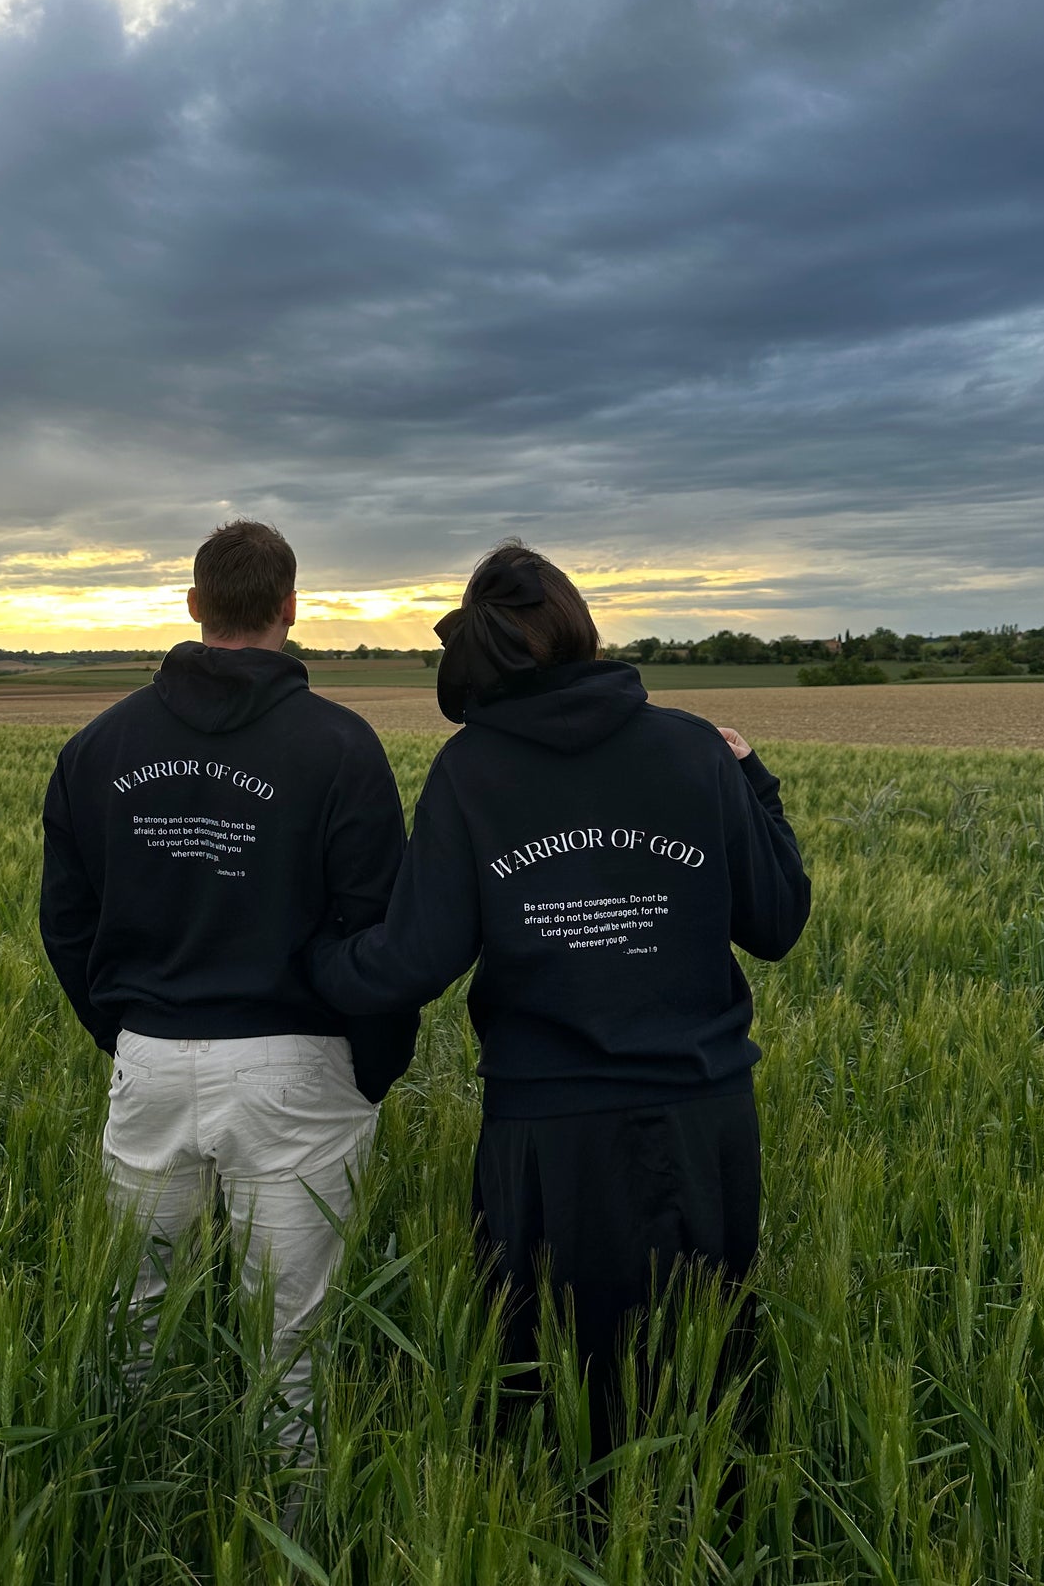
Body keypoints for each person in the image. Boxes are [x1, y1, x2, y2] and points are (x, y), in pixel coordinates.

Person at [306, 541, 810, 1456]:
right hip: (703, 1118)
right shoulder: (692, 748)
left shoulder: (471, 769)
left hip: (547, 1132)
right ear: (581, 627)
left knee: (547, 1394)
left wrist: (314, 962)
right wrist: (755, 782)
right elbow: (775, 923)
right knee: (702, 1378)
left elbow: (414, 959)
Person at [39, 519, 418, 1465]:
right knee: (292, 1345)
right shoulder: (341, 745)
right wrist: (367, 1068)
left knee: (134, 1326)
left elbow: (66, 922)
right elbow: (380, 931)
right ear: (290, 607)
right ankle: (284, 1539)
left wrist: (130, 1034)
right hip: (298, 1065)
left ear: (195, 605)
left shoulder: (98, 745)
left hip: (151, 1059)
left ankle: (131, 1518)